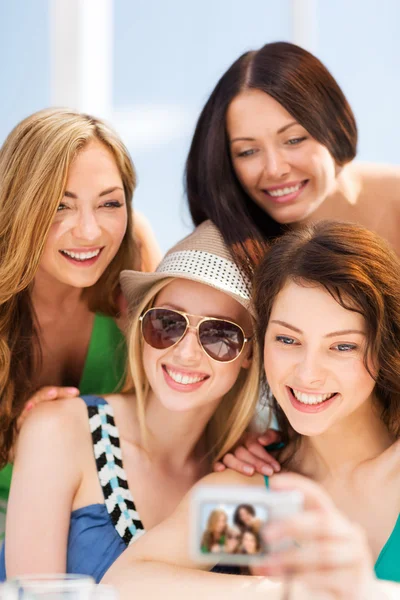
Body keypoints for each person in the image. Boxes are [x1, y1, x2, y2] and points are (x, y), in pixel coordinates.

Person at [102, 221, 400, 599]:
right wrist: (283, 591)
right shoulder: (257, 503)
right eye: (287, 339)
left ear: (385, 346)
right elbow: (125, 582)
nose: (307, 374)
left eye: (342, 347)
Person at [1, 221, 260, 582]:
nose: (186, 353)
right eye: (168, 323)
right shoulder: (60, 430)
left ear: (249, 353)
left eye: (219, 335)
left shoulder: (239, 480)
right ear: (141, 324)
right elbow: (29, 594)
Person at [0, 107, 162, 531]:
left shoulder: (133, 255)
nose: (90, 232)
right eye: (60, 205)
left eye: (110, 203)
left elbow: (182, 378)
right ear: (19, 205)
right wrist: (17, 434)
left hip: (102, 525)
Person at [186, 41, 400, 274]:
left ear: (334, 128)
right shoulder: (218, 254)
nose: (275, 169)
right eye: (248, 152)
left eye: (294, 140)